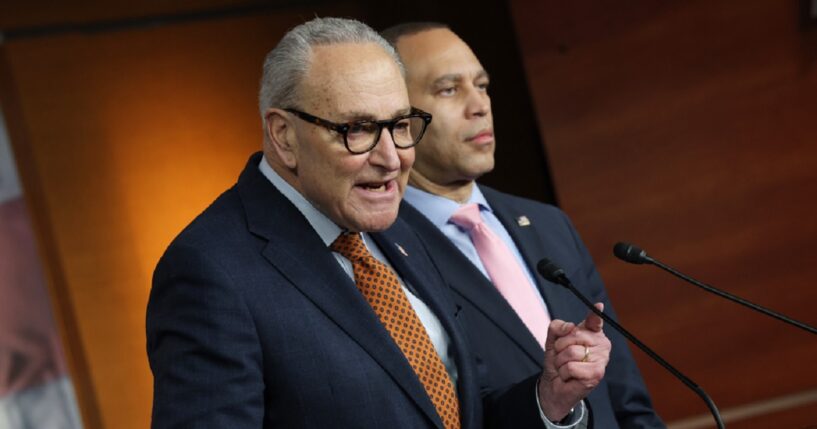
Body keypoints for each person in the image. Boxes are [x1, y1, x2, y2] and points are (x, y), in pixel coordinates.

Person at [147, 17, 611, 429]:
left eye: (401, 125)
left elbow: (461, 409)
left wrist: (547, 398)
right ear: (284, 136)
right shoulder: (210, 270)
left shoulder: (398, 231)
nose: (392, 159)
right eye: (358, 130)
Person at [382, 23, 665, 428]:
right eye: (449, 89)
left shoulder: (550, 225)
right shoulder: (382, 254)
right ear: (397, 118)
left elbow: (625, 401)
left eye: (482, 85)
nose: (479, 105)